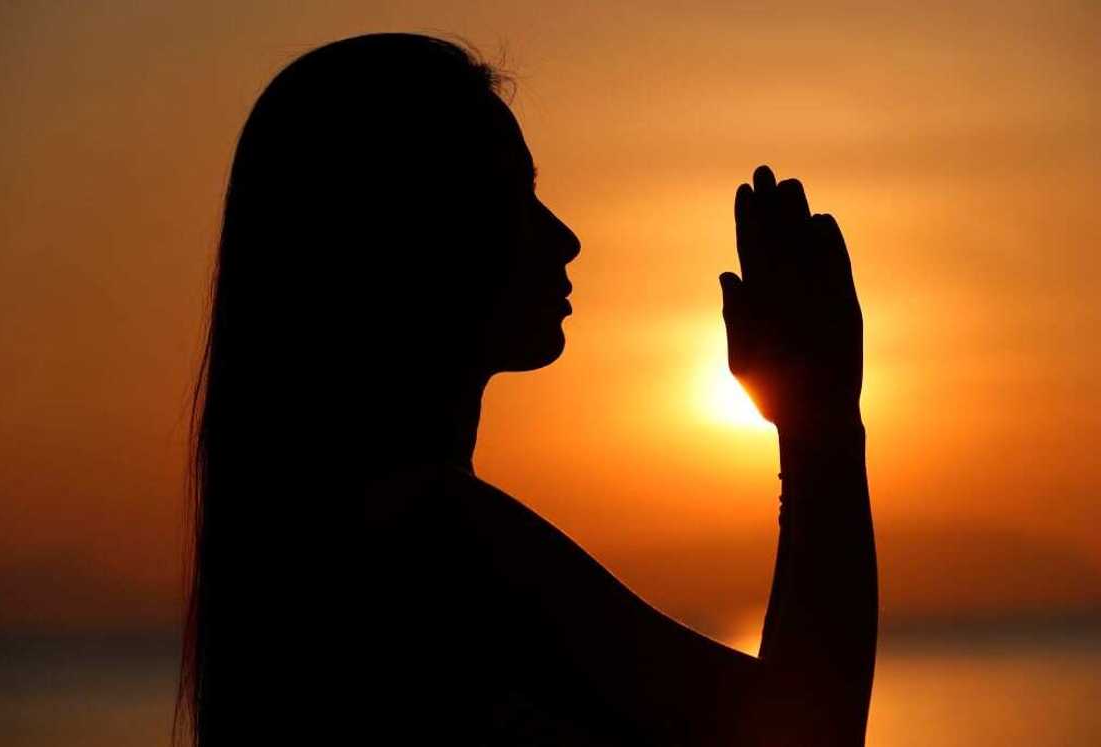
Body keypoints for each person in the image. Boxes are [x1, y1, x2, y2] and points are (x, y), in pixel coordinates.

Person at [177, 32, 877, 746]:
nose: (565, 237)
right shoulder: (438, 547)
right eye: (513, 198)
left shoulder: (317, 556)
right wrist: (819, 418)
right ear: (409, 236)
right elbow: (810, 726)